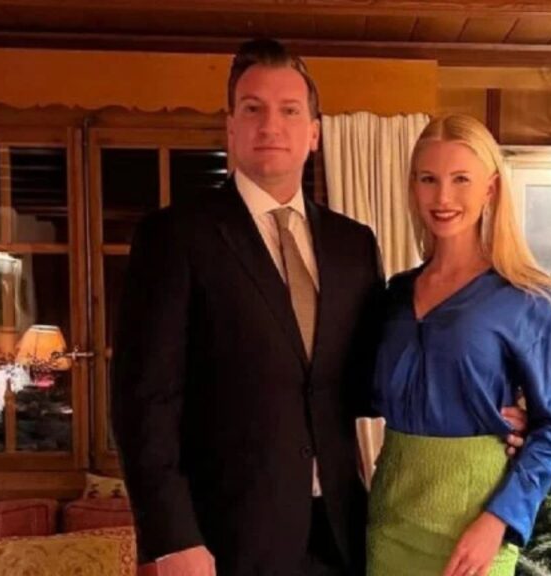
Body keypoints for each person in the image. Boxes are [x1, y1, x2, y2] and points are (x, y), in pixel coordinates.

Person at [110, 39, 383, 576]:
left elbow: (375, 376)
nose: (270, 125)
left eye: (289, 110)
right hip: (222, 544)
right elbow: (143, 403)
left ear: (314, 133)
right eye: (253, 109)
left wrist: (489, 408)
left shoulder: (355, 244)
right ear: (231, 127)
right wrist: (173, 539)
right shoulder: (175, 236)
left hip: (341, 538)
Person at [367, 114, 551, 576]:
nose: (443, 198)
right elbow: (367, 391)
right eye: (428, 179)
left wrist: (498, 520)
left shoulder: (529, 298)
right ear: (413, 187)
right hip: (391, 515)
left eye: (461, 179)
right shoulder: (394, 294)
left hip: (476, 524)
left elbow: (550, 432)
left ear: (490, 188)